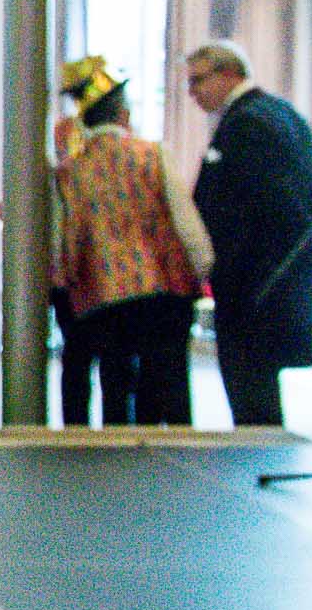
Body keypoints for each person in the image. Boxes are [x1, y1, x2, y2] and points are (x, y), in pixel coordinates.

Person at [184, 41, 312, 428]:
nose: (194, 92)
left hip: (256, 280)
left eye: (199, 80)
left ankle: (257, 457)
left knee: (251, 385)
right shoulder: (278, 113)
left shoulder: (249, 122)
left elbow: (267, 202)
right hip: (271, 277)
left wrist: (224, 265)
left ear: (229, 73)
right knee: (257, 383)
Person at [54, 58, 209, 425]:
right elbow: (184, 220)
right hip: (165, 289)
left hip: (103, 293)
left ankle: (116, 460)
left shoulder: (70, 172)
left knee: (115, 380)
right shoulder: (154, 154)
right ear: (123, 114)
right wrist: (203, 266)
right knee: (169, 381)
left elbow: (68, 237)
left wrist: (70, 286)